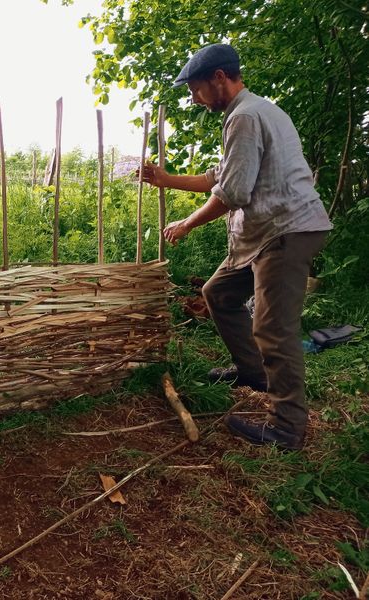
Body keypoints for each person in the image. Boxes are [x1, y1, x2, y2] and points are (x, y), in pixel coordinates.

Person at [139, 43, 332, 450]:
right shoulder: (256, 110)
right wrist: (167, 179)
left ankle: (286, 429)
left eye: (195, 89)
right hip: (267, 232)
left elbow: (233, 192)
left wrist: (188, 223)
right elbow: (221, 174)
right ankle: (252, 372)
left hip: (285, 230)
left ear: (219, 78)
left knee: (273, 330)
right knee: (219, 293)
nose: (194, 98)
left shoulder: (244, 117)